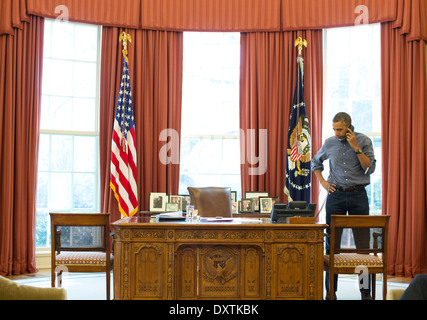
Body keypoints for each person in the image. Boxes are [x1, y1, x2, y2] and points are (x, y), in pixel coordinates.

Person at [312, 112, 376, 300]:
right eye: (334, 129)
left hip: (358, 195)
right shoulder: (330, 143)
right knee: (332, 246)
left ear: (349, 126)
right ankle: (331, 291)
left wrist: (356, 147)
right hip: (336, 195)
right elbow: (316, 162)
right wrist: (323, 183)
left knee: (363, 247)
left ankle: (365, 292)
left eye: (339, 129)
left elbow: (369, 168)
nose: (336, 132)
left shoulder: (364, 141)